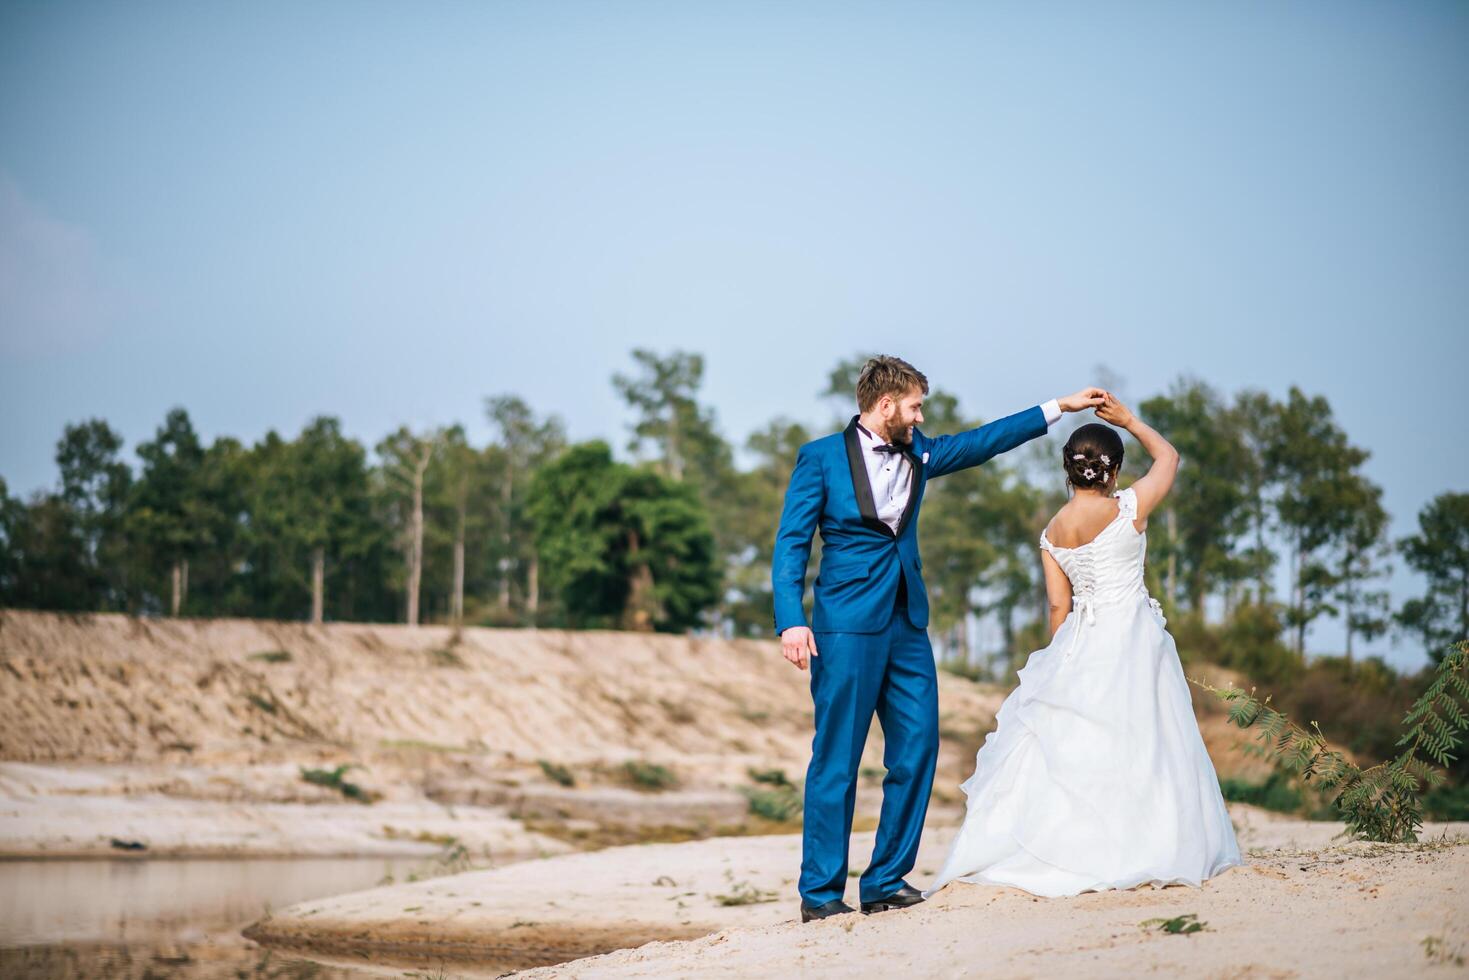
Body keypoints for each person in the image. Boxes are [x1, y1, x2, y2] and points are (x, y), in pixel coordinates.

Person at [771, 353, 1106, 921]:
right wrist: (791, 619)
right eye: (915, 405)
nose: (921, 414)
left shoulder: (920, 451)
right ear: (885, 405)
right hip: (845, 626)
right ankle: (821, 894)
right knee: (837, 760)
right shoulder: (821, 459)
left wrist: (1059, 408)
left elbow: (985, 441)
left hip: (907, 625)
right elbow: (790, 545)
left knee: (919, 746)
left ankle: (884, 881)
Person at [923, 393, 1242, 899]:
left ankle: (1065, 847)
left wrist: (1059, 660)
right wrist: (1131, 420)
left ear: (1067, 472)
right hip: (1134, 636)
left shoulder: (1052, 532)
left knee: (1076, 747)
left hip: (1081, 639)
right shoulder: (1129, 509)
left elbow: (1057, 608)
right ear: (1111, 472)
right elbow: (1170, 458)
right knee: (1147, 741)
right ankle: (1146, 845)